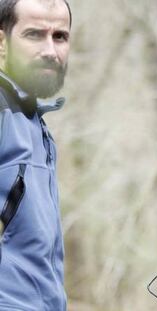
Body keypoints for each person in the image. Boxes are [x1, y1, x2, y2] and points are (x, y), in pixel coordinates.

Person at [0, 0, 71, 310]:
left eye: (60, 36)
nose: (50, 51)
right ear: (1, 42)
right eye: (34, 35)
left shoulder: (30, 119)